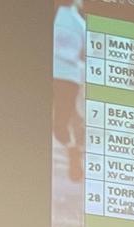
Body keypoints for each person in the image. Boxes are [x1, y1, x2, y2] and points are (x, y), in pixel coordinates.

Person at [53, 1, 85, 182]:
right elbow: (85, 55)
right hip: (70, 79)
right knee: (69, 115)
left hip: (54, 75)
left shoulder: (55, 17)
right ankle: (73, 147)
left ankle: (72, 146)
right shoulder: (80, 24)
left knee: (61, 123)